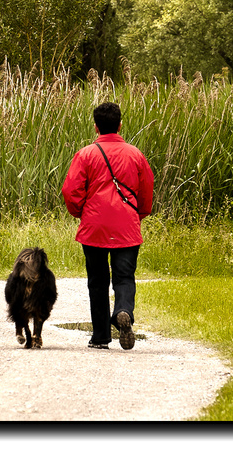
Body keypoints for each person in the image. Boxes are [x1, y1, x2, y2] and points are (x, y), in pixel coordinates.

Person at [60, 101, 154, 350]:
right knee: (124, 277)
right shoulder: (135, 155)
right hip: (127, 225)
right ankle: (123, 311)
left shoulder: (86, 154)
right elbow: (146, 191)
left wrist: (81, 213)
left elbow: (71, 190)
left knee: (98, 282)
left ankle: (101, 336)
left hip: (94, 227)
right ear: (120, 125)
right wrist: (138, 215)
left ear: (95, 127)